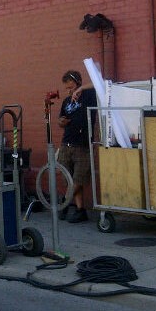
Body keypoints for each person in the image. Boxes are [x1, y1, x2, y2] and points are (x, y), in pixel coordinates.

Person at [57, 70, 97, 223]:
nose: (69, 91)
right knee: (69, 178)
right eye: (67, 88)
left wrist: (80, 89)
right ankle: (80, 210)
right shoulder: (67, 101)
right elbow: (61, 120)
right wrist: (61, 122)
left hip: (82, 144)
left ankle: (65, 202)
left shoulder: (88, 96)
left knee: (79, 178)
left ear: (78, 83)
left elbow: (100, 83)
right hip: (67, 143)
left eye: (71, 87)